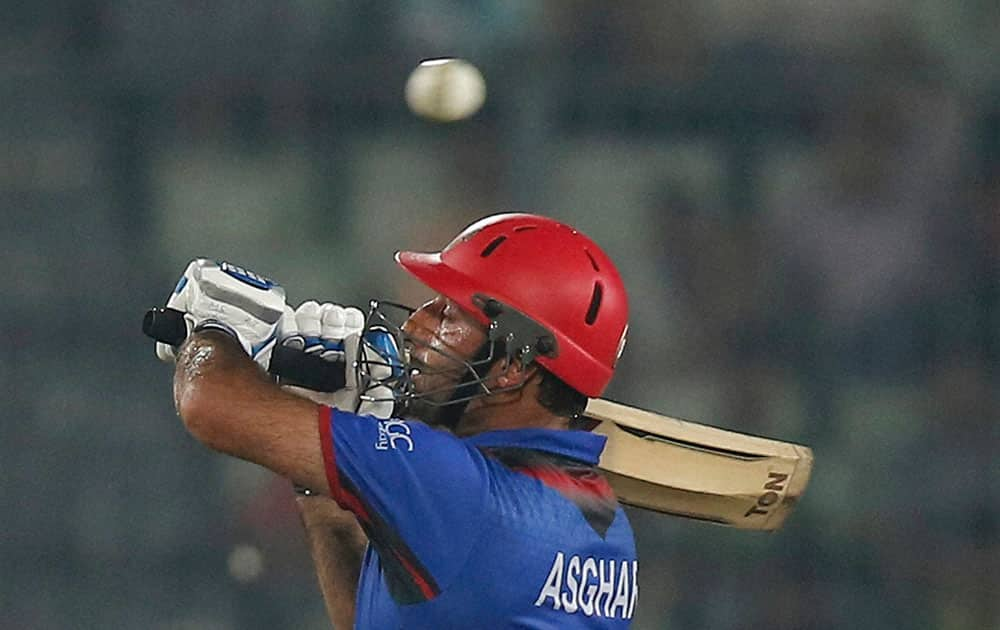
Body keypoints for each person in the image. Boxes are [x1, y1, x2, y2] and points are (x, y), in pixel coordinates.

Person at [155, 213, 637, 628]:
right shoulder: (605, 523)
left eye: (448, 313)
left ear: (513, 366)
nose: (414, 325)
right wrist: (321, 484)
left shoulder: (450, 481)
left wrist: (216, 328)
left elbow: (209, 405)